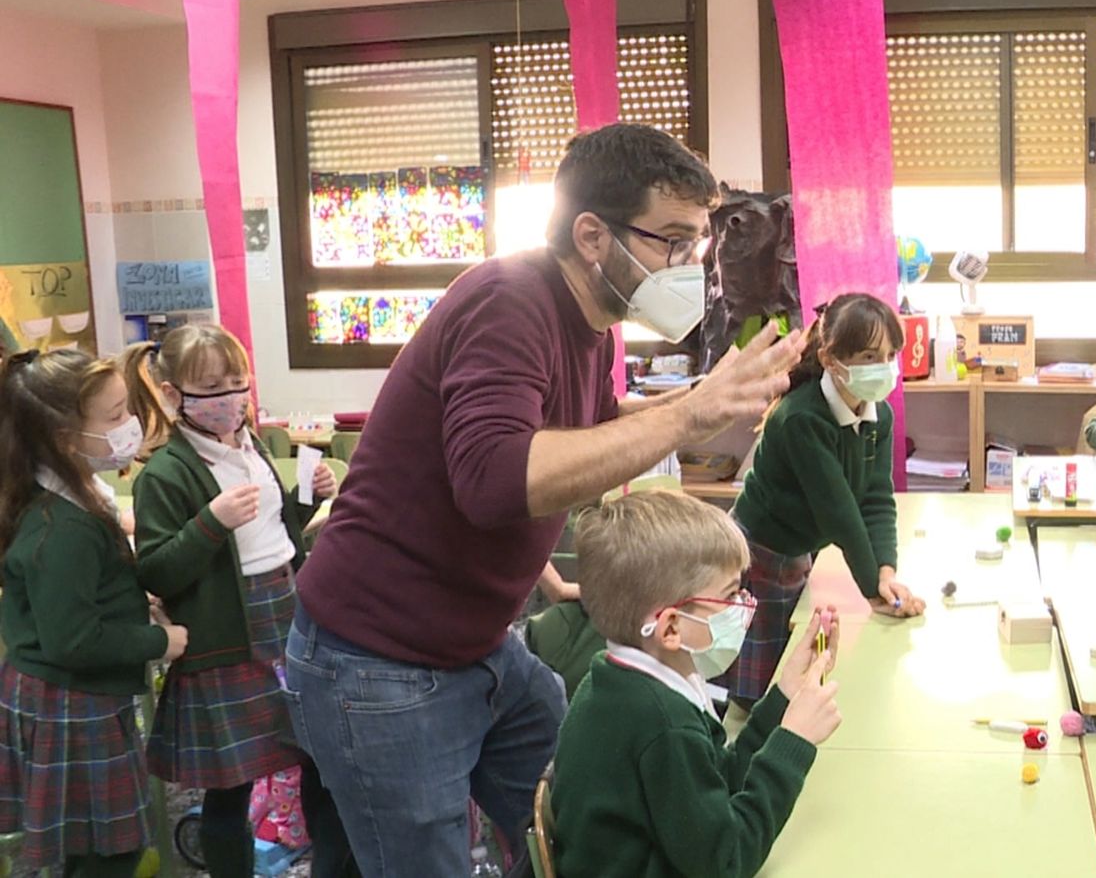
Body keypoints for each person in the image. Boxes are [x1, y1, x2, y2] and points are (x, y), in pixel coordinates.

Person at [284, 123, 804, 874]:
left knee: (583, 813)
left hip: (480, 642)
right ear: (593, 235)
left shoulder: (591, 326)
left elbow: (585, 427)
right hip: (380, 658)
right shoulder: (510, 300)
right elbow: (497, 477)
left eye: (697, 245)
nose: (691, 267)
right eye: (672, 241)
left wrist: (704, 403)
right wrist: (686, 415)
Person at [122, 326, 355, 878]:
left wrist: (306, 494)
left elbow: (270, 533)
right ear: (175, 394)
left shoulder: (249, 448)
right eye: (212, 386)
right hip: (229, 637)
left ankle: (333, 868)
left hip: (287, 613)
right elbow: (157, 568)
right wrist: (210, 522)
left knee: (320, 762)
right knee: (232, 786)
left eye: (236, 382)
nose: (230, 397)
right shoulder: (165, 473)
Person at [552, 491, 841, 877]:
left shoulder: (619, 676)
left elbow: (717, 778)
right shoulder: (662, 722)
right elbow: (726, 862)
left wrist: (784, 696)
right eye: (729, 595)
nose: (743, 604)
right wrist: (793, 744)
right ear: (670, 626)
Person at [0, 350, 188, 877]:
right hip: (67, 700)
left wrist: (134, 602)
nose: (129, 426)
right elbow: (72, 639)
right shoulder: (63, 529)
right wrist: (158, 642)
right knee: (108, 852)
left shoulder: (73, 496)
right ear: (65, 440)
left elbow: (84, 598)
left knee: (101, 846)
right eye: (114, 418)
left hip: (77, 695)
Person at [728, 293, 923, 704]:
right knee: (759, 678)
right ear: (832, 360)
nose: (883, 367)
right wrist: (873, 591)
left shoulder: (878, 415)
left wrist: (886, 572)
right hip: (762, 548)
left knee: (793, 647)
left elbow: (875, 497)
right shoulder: (801, 418)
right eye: (869, 356)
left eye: (890, 355)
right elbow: (839, 513)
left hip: (800, 547)